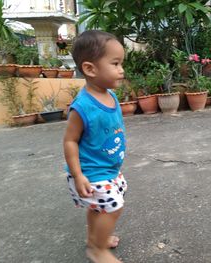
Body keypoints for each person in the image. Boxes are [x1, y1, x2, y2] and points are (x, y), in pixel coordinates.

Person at [63, 30, 127, 263]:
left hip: (108, 168)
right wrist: (78, 175)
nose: (121, 70)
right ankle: (98, 250)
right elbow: (70, 141)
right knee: (113, 207)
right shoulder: (82, 107)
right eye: (115, 63)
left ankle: (95, 239)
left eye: (121, 63)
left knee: (99, 208)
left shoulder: (109, 94)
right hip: (91, 172)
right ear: (90, 69)